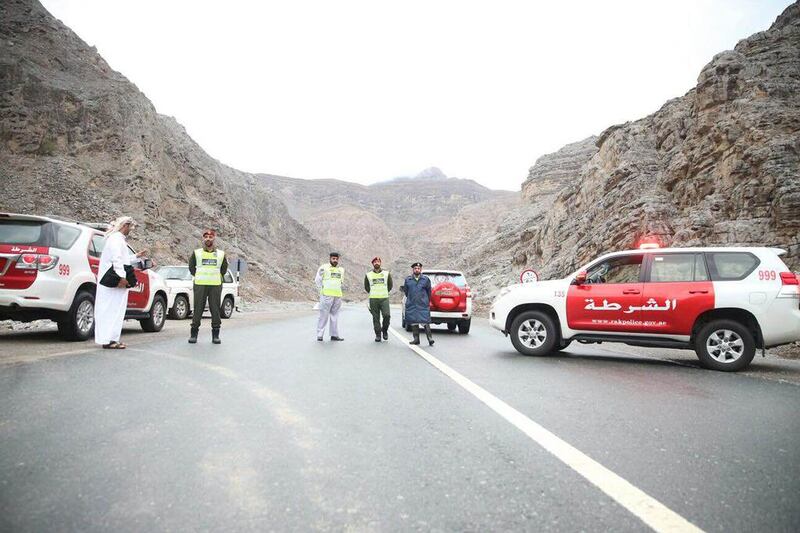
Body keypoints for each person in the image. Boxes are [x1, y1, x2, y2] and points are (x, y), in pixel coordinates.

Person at [94, 216, 143, 349]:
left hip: (114, 281)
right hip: (112, 281)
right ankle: (108, 339)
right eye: (130, 227)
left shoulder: (118, 239)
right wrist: (121, 278)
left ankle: (112, 339)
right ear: (124, 225)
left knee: (116, 310)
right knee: (110, 310)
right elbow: (116, 260)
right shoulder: (116, 239)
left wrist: (135, 256)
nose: (130, 230)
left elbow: (124, 259)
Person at [188, 228, 228, 344]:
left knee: (215, 310)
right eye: (206, 237)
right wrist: (198, 276)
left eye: (210, 237)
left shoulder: (220, 254)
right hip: (200, 285)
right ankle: (194, 334)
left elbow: (223, 269)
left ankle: (215, 335)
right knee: (198, 310)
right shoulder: (197, 253)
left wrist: (216, 276)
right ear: (203, 239)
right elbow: (191, 267)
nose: (208, 239)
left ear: (214, 239)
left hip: (215, 285)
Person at [400, 262, 434, 346]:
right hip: (412, 303)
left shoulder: (426, 279)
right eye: (415, 268)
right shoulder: (408, 280)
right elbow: (406, 292)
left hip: (423, 304)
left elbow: (429, 292)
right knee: (414, 321)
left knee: (425, 321)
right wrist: (411, 298)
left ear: (421, 270)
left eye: (418, 268)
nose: (417, 270)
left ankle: (430, 338)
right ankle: (416, 339)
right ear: (413, 269)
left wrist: (425, 300)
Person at [315, 252, 344, 342]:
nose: (335, 260)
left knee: (335, 315)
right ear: (330, 259)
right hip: (326, 295)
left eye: (336, 259)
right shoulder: (324, 268)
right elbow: (318, 280)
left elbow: (341, 282)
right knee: (323, 315)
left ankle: (334, 335)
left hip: (337, 296)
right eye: (333, 259)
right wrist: (323, 290)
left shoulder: (341, 270)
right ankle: (320, 334)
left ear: (338, 260)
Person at [363, 256, 393, 342]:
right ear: (372, 264)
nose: (377, 263)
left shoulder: (386, 274)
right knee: (376, 318)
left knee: (387, 315)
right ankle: (378, 335)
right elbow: (366, 287)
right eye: (375, 262)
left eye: (378, 261)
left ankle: (385, 330)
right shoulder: (368, 275)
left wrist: (384, 291)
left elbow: (390, 285)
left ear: (380, 263)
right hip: (373, 299)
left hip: (384, 298)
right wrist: (373, 292)